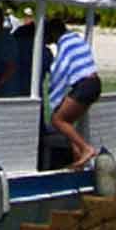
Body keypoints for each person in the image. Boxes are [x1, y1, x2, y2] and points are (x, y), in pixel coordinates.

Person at [43, 17, 101, 168]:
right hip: (94, 84)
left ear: (54, 32)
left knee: (57, 120)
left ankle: (86, 149)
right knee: (68, 124)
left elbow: (60, 69)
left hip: (85, 85)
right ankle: (78, 164)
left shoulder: (65, 44)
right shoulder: (76, 39)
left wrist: (53, 95)